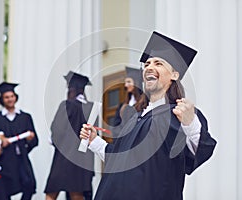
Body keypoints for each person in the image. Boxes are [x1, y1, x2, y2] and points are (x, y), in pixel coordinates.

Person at [80, 31, 217, 200]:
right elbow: (117, 158)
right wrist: (94, 141)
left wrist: (190, 124)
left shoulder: (180, 114)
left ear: (174, 75)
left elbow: (199, 152)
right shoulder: (134, 117)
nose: (149, 67)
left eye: (158, 63)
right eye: (147, 64)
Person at [44, 71, 95, 200]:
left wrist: (54, 141)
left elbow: (57, 129)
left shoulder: (67, 105)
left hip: (64, 156)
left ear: (71, 89)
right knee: (76, 192)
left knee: (52, 191)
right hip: (82, 158)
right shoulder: (91, 108)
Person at [0, 82, 38, 200]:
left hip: (21, 158)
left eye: (12, 96)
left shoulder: (25, 117)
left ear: (15, 97)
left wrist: (29, 140)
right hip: (5, 160)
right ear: (2, 100)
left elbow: (35, 141)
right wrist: (1, 141)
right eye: (6, 97)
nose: (10, 99)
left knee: (29, 184)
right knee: (6, 189)